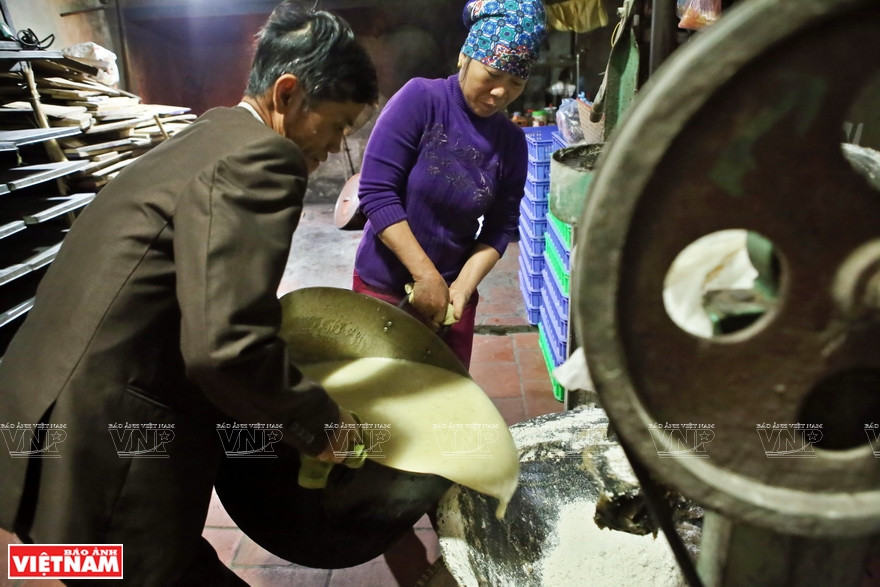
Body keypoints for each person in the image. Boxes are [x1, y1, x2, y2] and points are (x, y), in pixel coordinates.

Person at [0, 1, 377, 583]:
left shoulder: (208, 135)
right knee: (134, 572)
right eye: (335, 125)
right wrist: (322, 425)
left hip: (43, 417)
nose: (335, 147)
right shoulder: (263, 160)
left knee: (78, 567)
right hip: (109, 447)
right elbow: (226, 346)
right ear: (287, 93)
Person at [352, 0, 547, 369]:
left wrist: (461, 287)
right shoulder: (421, 100)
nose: (500, 93)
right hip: (383, 287)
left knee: (444, 401)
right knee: (377, 407)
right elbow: (376, 193)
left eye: (516, 82)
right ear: (464, 56)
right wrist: (425, 277)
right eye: (491, 74)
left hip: (453, 299)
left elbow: (500, 227)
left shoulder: (511, 143)